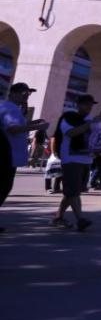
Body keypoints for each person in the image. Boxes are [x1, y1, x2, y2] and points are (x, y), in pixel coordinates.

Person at [0, 83, 50, 230]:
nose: (27, 96)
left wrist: (32, 122)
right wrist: (38, 127)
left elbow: (16, 124)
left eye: (28, 94)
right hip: (7, 154)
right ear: (14, 93)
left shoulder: (9, 107)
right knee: (4, 187)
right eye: (24, 93)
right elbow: (12, 128)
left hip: (8, 154)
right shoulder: (10, 109)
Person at [51, 94, 97, 231]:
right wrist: (89, 125)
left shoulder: (90, 120)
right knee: (73, 191)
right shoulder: (69, 117)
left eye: (91, 104)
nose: (89, 107)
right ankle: (80, 219)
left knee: (73, 191)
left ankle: (58, 217)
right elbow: (71, 133)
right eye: (86, 104)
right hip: (71, 158)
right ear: (78, 105)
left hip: (86, 158)